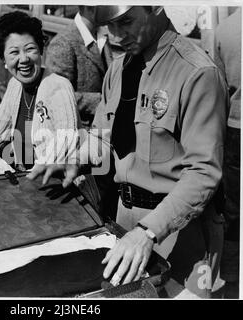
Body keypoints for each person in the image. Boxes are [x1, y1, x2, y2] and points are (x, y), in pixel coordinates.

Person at [28, 6, 228, 298]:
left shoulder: (196, 73)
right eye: (109, 25)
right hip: (124, 223)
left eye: (126, 21)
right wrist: (76, 159)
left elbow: (204, 172)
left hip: (180, 233)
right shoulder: (118, 70)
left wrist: (147, 233)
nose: (117, 35)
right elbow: (108, 137)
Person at [0, 11, 80, 171]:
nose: (23, 59)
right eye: (14, 52)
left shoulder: (59, 87)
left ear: (40, 51)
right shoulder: (15, 85)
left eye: (30, 49)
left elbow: (67, 144)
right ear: (4, 59)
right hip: (26, 180)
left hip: (57, 184)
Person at [46, 5, 113, 129]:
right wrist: (101, 101)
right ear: (90, 7)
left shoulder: (102, 35)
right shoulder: (63, 43)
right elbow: (55, 97)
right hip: (80, 131)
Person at [214, 7, 241, 299]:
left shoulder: (226, 29)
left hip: (236, 127)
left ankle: (232, 277)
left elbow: (219, 88)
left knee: (234, 207)